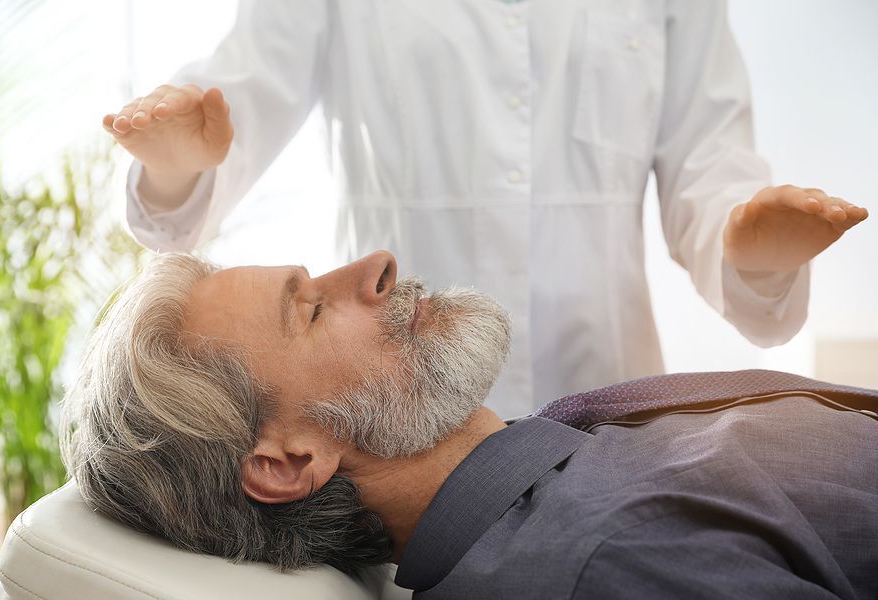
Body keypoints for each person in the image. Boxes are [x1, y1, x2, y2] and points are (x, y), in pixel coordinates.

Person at [101, 1, 869, 416]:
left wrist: (750, 245)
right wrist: (178, 167)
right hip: (402, 416)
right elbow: (233, 106)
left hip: (607, 404)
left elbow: (711, 167)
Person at [61, 251, 878, 599]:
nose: (376, 265)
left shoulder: (570, 467)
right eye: (310, 310)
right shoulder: (600, 570)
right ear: (288, 460)